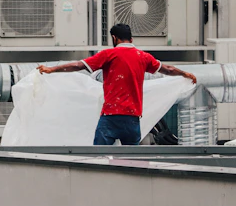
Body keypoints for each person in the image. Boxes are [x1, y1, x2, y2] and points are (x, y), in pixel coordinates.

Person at [37, 23, 197, 146]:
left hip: (111, 116)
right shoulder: (143, 57)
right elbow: (168, 69)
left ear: (114, 38)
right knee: (132, 161)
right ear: (131, 39)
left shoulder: (109, 54)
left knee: (99, 157)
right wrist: (185, 74)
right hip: (133, 118)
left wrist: (52, 69)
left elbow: (79, 65)